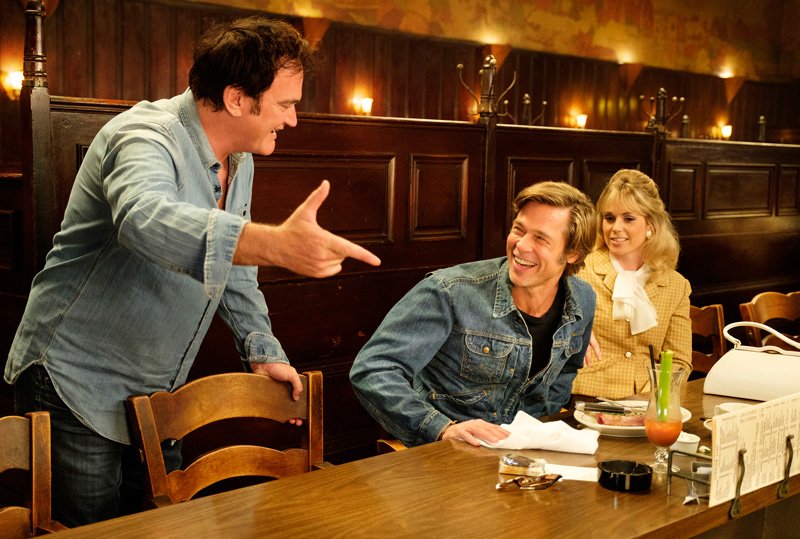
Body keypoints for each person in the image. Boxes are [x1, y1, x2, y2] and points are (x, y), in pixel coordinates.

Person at [5, 16, 380, 526]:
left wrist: (262, 351)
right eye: (285, 104)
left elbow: (234, 270)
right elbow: (144, 219)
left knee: (164, 528)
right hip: (75, 381)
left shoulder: (241, 160)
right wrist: (273, 243)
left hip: (160, 394)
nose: (293, 120)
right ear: (236, 98)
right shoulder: (144, 134)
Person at [350, 181, 596, 448]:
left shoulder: (582, 299)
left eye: (541, 238)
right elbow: (373, 368)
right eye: (518, 229)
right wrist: (441, 429)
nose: (521, 245)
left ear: (572, 254)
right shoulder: (449, 291)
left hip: (529, 454)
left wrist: (541, 431)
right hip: (447, 453)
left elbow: (565, 372)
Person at [571, 169, 691, 399]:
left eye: (628, 218)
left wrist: (652, 398)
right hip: (587, 398)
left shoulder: (677, 285)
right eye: (609, 218)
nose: (615, 228)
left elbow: (679, 360)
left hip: (648, 401)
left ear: (651, 225)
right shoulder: (579, 271)